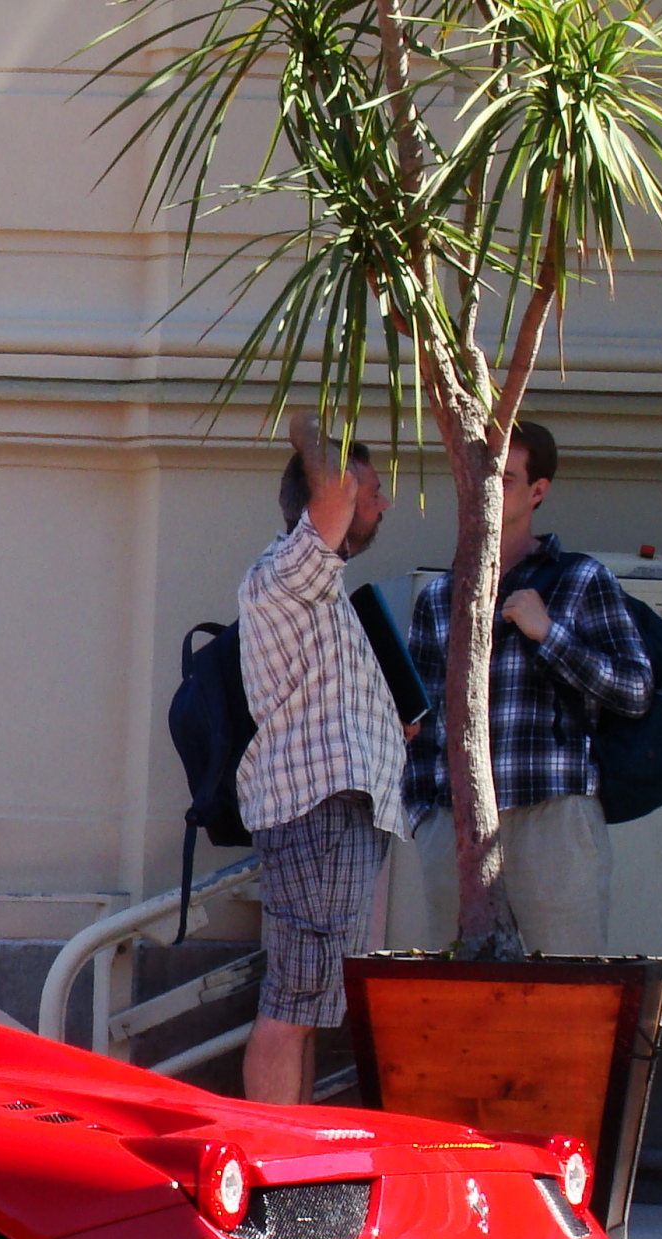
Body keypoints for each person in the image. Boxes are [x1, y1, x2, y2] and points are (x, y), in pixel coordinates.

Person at [400, 420, 652, 952]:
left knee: (564, 986)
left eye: (506, 478)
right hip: (457, 823)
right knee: (457, 991)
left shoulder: (581, 579)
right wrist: (425, 820)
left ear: (539, 491)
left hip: (553, 814)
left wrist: (551, 635)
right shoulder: (440, 596)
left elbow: (635, 689)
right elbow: (416, 724)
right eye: (477, 476)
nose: (487, 489)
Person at [234, 413, 411, 1105]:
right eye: (370, 489)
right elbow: (332, 489)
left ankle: (288, 1167)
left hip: (329, 816)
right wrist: (308, 429)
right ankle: (266, 1168)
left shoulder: (316, 588)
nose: (381, 502)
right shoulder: (291, 571)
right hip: (319, 815)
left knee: (306, 1007)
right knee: (292, 1006)